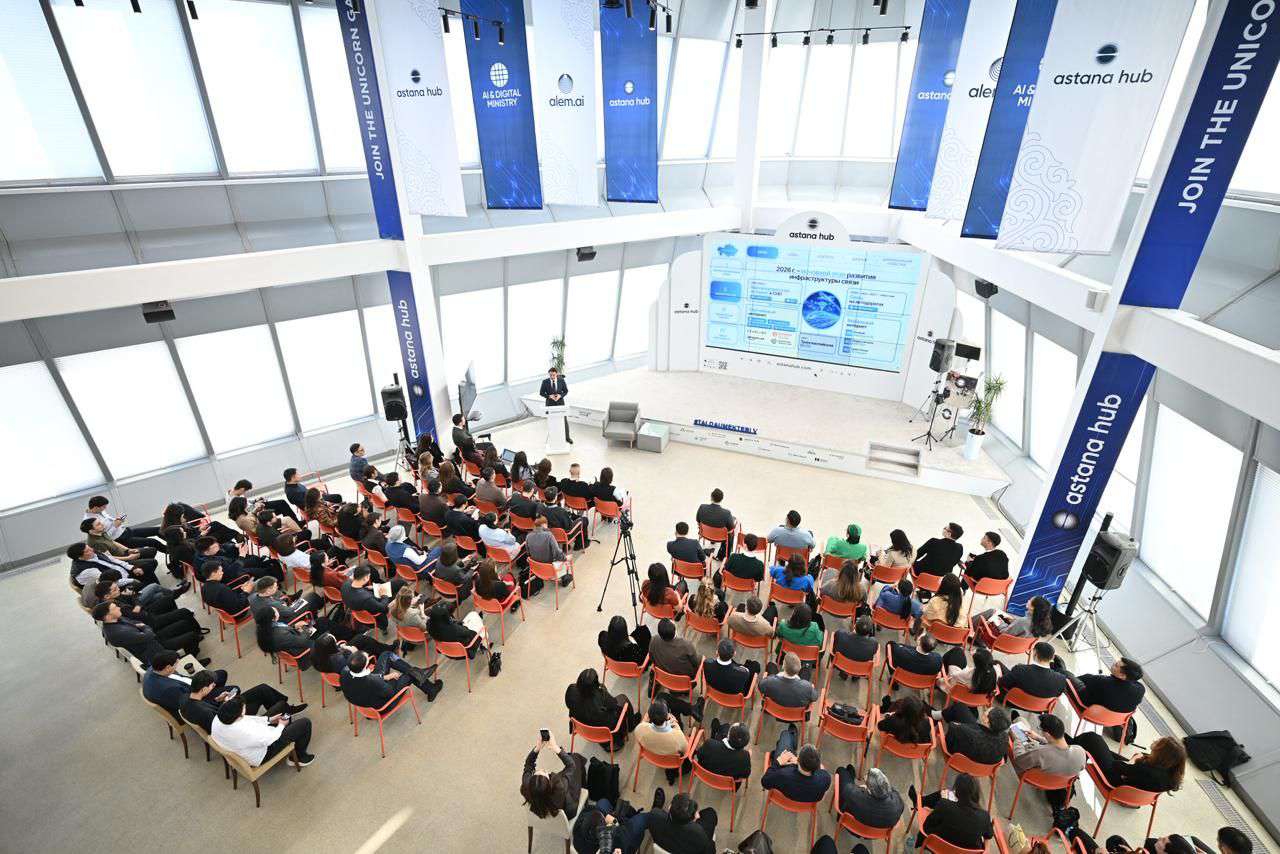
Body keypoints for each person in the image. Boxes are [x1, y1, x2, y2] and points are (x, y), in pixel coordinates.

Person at [178, 668, 296, 733]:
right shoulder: (204, 712)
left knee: (262, 689)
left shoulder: (186, 697)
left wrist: (218, 699)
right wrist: (226, 704)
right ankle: (285, 715)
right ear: (203, 689)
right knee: (280, 705)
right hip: (233, 720)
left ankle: (285, 710)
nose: (214, 687)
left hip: (224, 711)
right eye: (212, 686)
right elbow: (222, 724)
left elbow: (210, 708)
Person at [211, 695, 314, 768]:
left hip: (252, 742)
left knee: (281, 705)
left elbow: (248, 719)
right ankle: (298, 757)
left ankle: (290, 727)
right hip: (263, 752)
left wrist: (269, 720)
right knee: (305, 723)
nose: (245, 708)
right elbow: (270, 739)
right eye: (244, 708)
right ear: (239, 715)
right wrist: (281, 725)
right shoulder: (245, 732)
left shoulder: (219, 717)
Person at [1009, 714, 1087, 806]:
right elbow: (1059, 747)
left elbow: (1019, 761)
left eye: (1041, 729)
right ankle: (1017, 722)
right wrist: (1038, 738)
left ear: (1047, 734)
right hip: (1057, 783)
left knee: (1018, 724)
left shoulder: (1040, 753)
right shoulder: (1080, 752)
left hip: (1030, 775)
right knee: (1022, 727)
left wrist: (1018, 739)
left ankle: (1015, 721)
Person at [94, 600, 205, 665]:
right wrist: (144, 628)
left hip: (153, 639)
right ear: (107, 616)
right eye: (115, 608)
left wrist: (143, 628)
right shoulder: (118, 632)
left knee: (183, 624)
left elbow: (138, 623)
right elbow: (147, 634)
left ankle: (189, 655)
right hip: (155, 650)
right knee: (192, 636)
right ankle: (191, 662)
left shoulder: (116, 619)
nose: (119, 608)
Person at [1069, 733, 1186, 794]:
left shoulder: (1147, 770)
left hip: (1114, 782)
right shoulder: (1170, 777)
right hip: (1131, 787)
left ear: (1162, 754)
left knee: (1093, 738)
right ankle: (1071, 746)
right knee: (1100, 749)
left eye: (1158, 743)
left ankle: (1068, 749)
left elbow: (1117, 766)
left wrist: (1134, 760)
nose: (1155, 741)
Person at [919, 773, 994, 850]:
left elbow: (927, 825)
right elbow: (988, 835)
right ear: (977, 793)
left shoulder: (944, 805)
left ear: (957, 792)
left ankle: (921, 801)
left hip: (938, 848)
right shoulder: (984, 817)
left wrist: (943, 801)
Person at [340, 648, 441, 705]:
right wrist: (391, 677)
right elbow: (389, 692)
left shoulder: (344, 672)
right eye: (367, 657)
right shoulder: (373, 681)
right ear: (365, 665)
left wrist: (384, 677)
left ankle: (419, 674)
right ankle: (430, 689)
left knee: (386, 655)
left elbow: (366, 681)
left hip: (366, 697)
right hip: (383, 702)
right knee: (409, 674)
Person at [565, 668, 636, 747]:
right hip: (604, 728)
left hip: (583, 726)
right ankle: (631, 725)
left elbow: (569, 705)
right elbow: (613, 704)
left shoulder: (571, 690)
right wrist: (604, 691)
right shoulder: (600, 695)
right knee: (623, 699)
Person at [762, 725, 831, 803]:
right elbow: (822, 768)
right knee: (786, 743)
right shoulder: (825, 778)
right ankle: (792, 734)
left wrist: (778, 762)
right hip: (807, 804)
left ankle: (791, 734)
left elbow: (765, 782)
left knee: (785, 735)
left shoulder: (782, 774)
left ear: (798, 760)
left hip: (783, 798)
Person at [83, 495, 167, 552]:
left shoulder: (99, 511)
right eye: (103, 507)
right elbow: (104, 537)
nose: (105, 508)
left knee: (158, 530)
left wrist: (116, 520)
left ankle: (173, 542)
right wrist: (115, 526)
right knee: (152, 542)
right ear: (95, 507)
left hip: (126, 531)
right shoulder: (89, 521)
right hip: (121, 539)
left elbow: (108, 520)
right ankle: (170, 552)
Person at [635, 699, 689, 785]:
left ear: (649, 716)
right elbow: (686, 751)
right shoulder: (677, 737)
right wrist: (677, 726)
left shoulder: (639, 729)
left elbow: (642, 726)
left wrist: (645, 719)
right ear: (667, 716)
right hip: (672, 761)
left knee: (662, 698)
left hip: (652, 756)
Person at [836, 766, 904, 831]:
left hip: (853, 826)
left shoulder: (855, 795)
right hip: (876, 834)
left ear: (869, 789)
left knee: (841, 770)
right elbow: (892, 791)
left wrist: (861, 789)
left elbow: (846, 789)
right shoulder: (898, 803)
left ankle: (850, 774)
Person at [1070, 657, 1146, 715]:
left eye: (1116, 665)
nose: (1113, 664)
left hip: (1089, 711)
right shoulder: (1141, 689)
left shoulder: (1103, 681)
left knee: (1067, 675)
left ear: (1122, 675)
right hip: (1114, 720)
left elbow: (1082, 680)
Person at [648, 792, 717, 854]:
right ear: (690, 821)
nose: (698, 815)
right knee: (710, 813)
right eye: (695, 814)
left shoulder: (654, 814)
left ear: (669, 807)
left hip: (664, 843)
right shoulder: (699, 835)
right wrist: (712, 843)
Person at [68, 542, 159, 589]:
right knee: (144, 579)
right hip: (116, 585)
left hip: (120, 572)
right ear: (80, 557)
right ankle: (152, 589)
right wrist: (132, 580)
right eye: (87, 551)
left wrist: (133, 568)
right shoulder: (87, 571)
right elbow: (109, 583)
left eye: (89, 547)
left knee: (148, 565)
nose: (92, 550)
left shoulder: (92, 553)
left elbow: (113, 560)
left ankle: (155, 587)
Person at [998, 642, 1069, 702]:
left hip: (1012, 701)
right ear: (1052, 658)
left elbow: (1002, 682)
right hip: (1040, 709)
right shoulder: (1062, 680)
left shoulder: (1020, 669)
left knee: (997, 663)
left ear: (1035, 654)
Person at [80, 517, 158, 569]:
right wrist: (129, 558)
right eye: (98, 524)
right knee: (152, 562)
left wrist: (128, 550)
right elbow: (109, 558)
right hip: (121, 561)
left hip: (124, 554)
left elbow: (112, 542)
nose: (102, 524)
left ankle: (144, 567)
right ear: (91, 530)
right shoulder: (96, 543)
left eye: (100, 522)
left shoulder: (101, 531)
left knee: (152, 550)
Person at [945, 705, 1011, 766]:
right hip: (982, 768)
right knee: (961, 709)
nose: (985, 711)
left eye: (986, 711)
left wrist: (958, 726)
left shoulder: (962, 731)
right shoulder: (1005, 738)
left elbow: (949, 738)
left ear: (986, 720)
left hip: (959, 761)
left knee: (959, 708)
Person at [341, 562, 400, 630]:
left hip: (359, 606)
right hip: (376, 609)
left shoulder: (345, 585)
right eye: (369, 576)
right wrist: (384, 595)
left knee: (369, 567)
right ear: (365, 579)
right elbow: (383, 608)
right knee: (400, 583)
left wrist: (371, 588)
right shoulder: (367, 599)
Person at [426, 600, 492, 659]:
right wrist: (460, 625)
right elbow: (470, 633)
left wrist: (455, 623)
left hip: (445, 650)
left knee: (473, 615)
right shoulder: (453, 629)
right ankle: (485, 645)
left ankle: (483, 643)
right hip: (464, 650)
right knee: (482, 629)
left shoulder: (429, 625)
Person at [974, 594, 1055, 642]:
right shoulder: (1040, 624)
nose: (1028, 600)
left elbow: (1004, 633)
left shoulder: (1023, 621)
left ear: (1033, 608)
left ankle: (969, 627)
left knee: (992, 612)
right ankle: (978, 639)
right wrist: (1013, 621)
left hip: (1000, 641)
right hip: (1016, 646)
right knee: (995, 613)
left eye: (1030, 600)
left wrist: (999, 621)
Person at [695, 719, 752, 784]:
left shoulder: (709, 744)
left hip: (705, 775)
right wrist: (747, 756)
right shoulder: (745, 758)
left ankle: (715, 732)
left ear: (728, 735)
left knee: (725, 726)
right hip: (728, 784)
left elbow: (699, 755)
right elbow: (745, 775)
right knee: (725, 727)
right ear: (745, 743)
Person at [526, 516, 572, 586]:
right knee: (565, 558)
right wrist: (565, 558)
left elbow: (528, 553)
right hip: (550, 568)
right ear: (544, 524)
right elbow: (557, 553)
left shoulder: (528, 536)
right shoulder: (549, 535)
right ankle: (564, 578)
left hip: (536, 568)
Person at [539, 486, 587, 551]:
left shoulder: (540, 508)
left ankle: (566, 545)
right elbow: (568, 527)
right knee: (584, 520)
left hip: (548, 534)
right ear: (556, 497)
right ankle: (578, 545)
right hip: (564, 535)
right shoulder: (561, 511)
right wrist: (570, 518)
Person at [695, 489, 736, 560]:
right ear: (721, 499)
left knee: (713, 521)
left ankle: (713, 540)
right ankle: (722, 556)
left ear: (711, 497)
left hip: (705, 533)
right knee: (731, 532)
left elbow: (698, 521)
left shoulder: (702, 507)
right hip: (721, 537)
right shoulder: (727, 513)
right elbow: (730, 530)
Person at [539, 367, 572, 443]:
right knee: (552, 421)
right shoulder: (545, 382)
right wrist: (549, 396)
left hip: (560, 403)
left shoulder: (561, 380)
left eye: (553, 375)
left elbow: (566, 391)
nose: (552, 377)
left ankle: (567, 437)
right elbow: (541, 393)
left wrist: (560, 395)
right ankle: (553, 438)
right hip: (550, 404)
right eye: (550, 375)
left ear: (556, 374)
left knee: (564, 420)